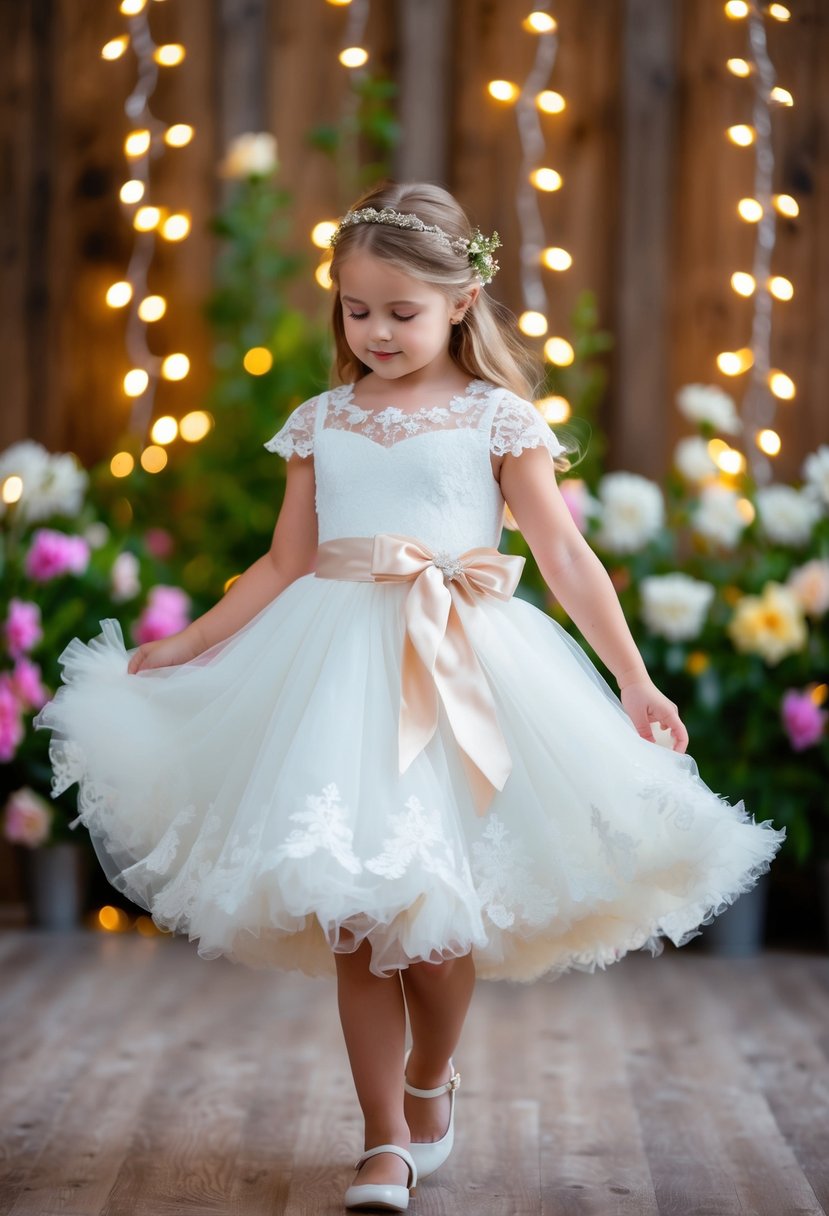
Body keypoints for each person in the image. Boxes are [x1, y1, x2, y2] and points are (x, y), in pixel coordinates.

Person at [34, 180, 784, 1213]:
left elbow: (562, 552)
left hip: (466, 664)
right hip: (333, 675)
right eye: (356, 309)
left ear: (463, 301)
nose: (376, 331)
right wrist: (192, 642)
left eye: (401, 310)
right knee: (357, 913)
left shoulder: (495, 415)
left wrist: (630, 675)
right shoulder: (322, 420)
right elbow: (284, 560)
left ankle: (433, 1075)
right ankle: (383, 1136)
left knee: (435, 936)